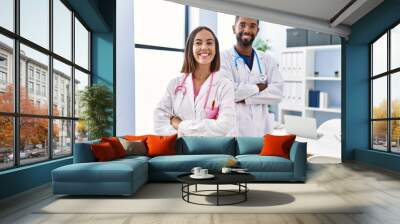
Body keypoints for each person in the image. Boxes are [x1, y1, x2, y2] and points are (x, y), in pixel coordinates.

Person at [154, 26, 236, 137]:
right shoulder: (175, 84)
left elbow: (225, 126)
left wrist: (181, 125)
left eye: (209, 43)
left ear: (215, 49)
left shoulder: (224, 85)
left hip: (212, 151)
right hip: (179, 149)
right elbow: (160, 120)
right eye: (198, 43)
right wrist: (181, 140)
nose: (204, 47)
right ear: (190, 48)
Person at [219, 16, 283, 137]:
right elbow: (228, 92)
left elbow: (278, 93)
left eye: (252, 26)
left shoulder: (267, 60)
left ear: (257, 31)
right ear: (234, 29)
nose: (247, 30)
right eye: (242, 25)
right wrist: (258, 88)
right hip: (234, 131)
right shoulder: (223, 58)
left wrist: (246, 99)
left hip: (261, 130)